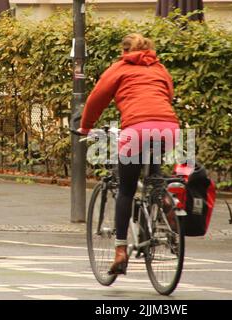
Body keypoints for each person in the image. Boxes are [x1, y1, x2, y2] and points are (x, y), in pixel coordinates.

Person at [78, 33, 180, 275]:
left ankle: (120, 250)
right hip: (168, 127)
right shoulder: (160, 68)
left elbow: (96, 99)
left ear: (124, 51)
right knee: (154, 179)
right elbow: (168, 94)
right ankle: (166, 202)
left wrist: (86, 126)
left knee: (126, 189)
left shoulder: (119, 68)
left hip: (136, 129)